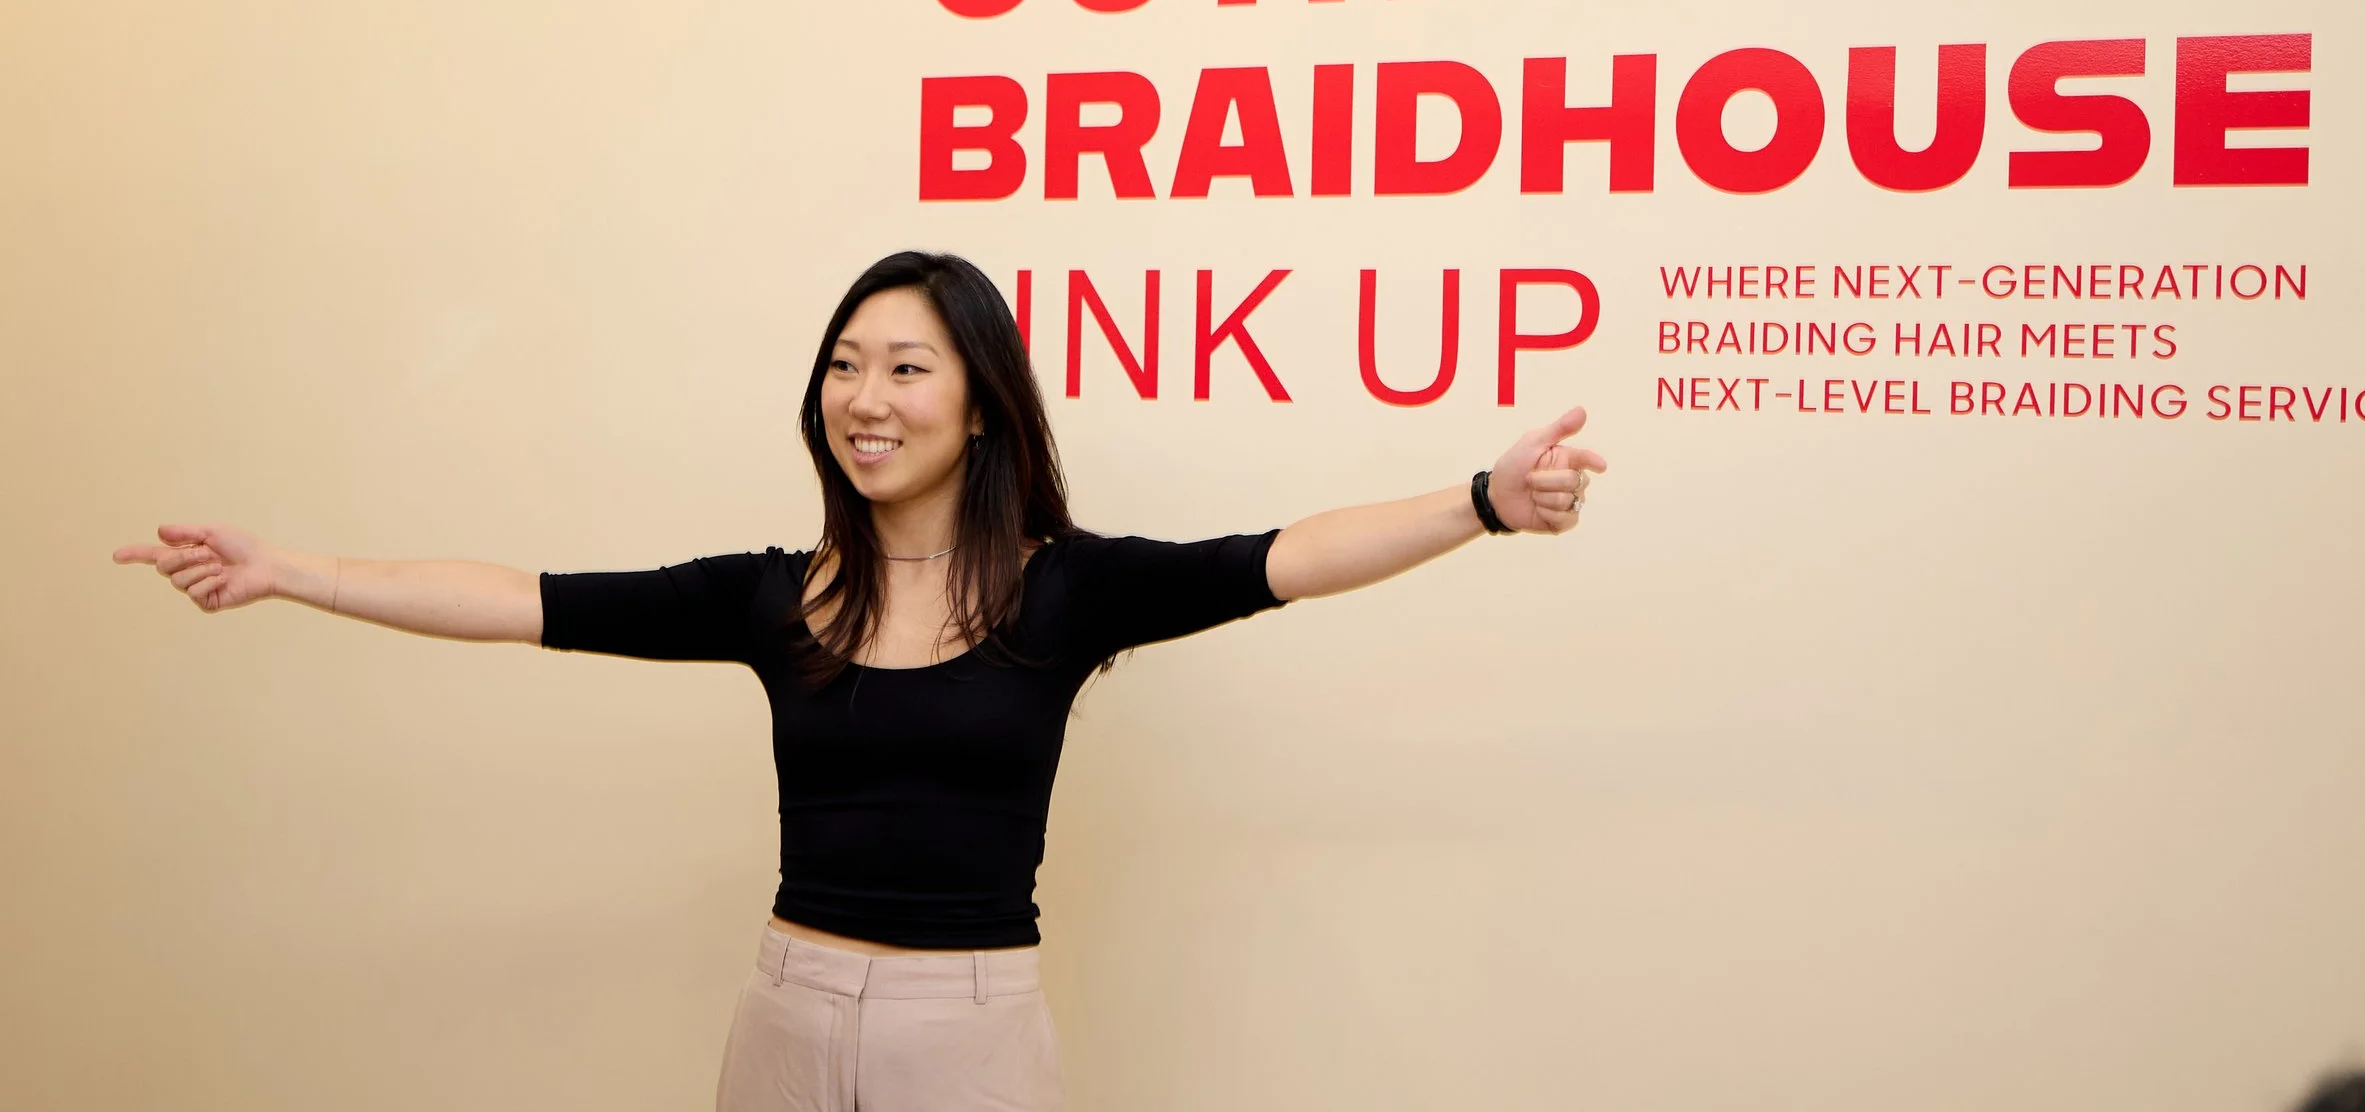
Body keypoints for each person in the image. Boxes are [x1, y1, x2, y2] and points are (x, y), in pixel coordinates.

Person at [112, 250, 1609, 1112]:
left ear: (977, 402)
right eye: (844, 364)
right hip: (783, 1007)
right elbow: (524, 602)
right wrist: (296, 571)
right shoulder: (778, 599)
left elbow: (1280, 555)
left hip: (971, 1027)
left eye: (904, 367)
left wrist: (1481, 497)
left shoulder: (1062, 588)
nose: (865, 398)